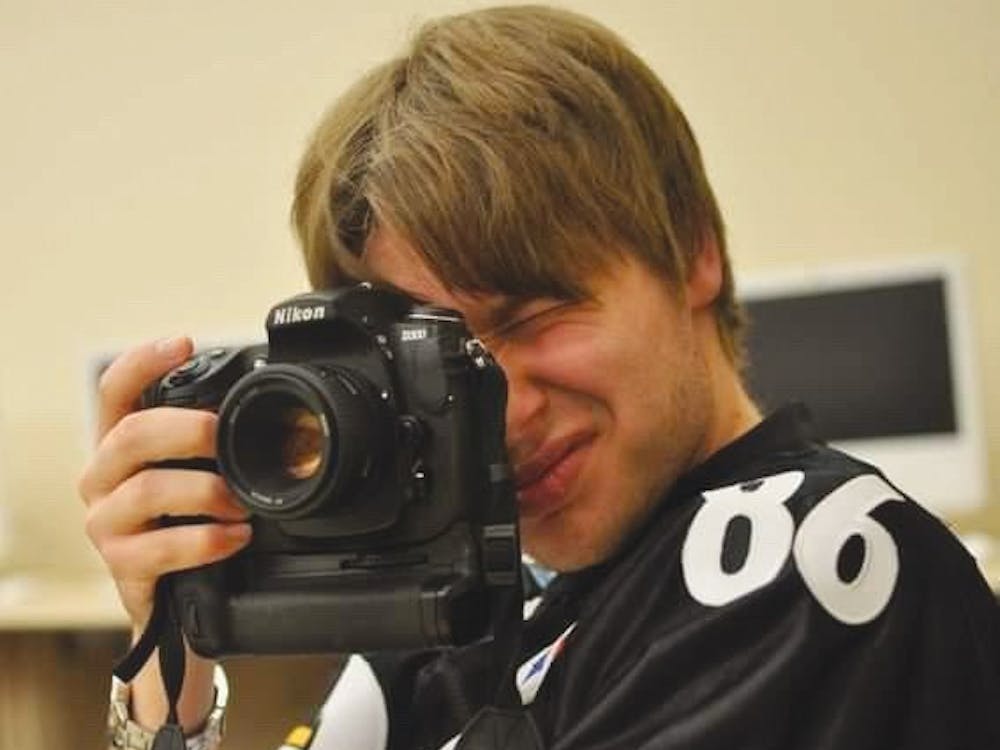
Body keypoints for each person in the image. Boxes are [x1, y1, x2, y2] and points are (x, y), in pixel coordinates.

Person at [79, 5, 1000, 749]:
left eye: (533, 318)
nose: (503, 411)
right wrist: (177, 663)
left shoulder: (807, 558)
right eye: (444, 360)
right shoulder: (478, 590)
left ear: (692, 253)